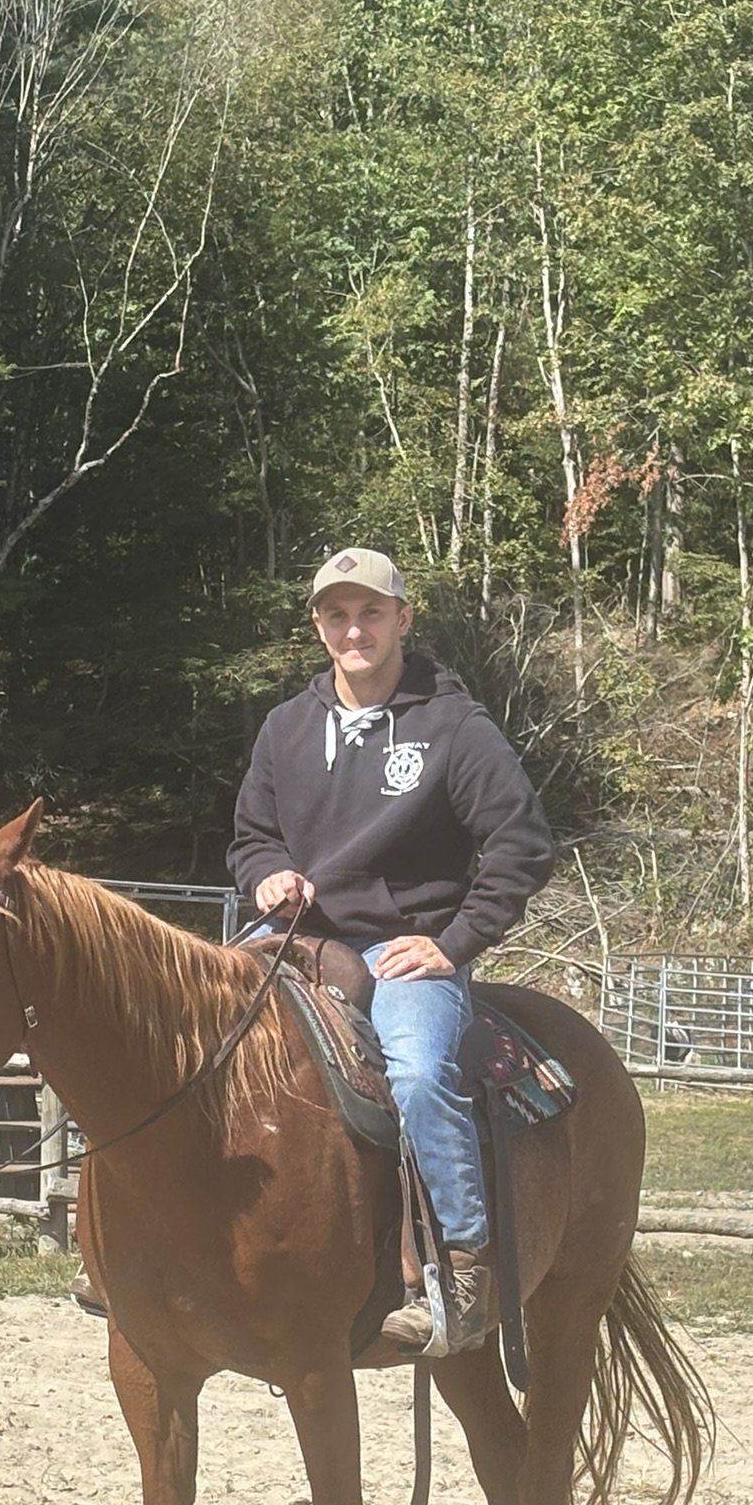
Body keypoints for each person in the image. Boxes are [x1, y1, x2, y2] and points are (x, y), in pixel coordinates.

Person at [228, 547, 555, 1353]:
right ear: (318, 627)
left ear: (403, 618)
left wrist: (454, 942)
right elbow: (250, 840)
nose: (354, 629)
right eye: (337, 614)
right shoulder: (286, 728)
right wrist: (269, 878)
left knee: (414, 1071)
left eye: (371, 612)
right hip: (299, 940)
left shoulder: (454, 725)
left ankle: (463, 1267)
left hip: (406, 951)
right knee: (194, 1033)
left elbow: (521, 844)